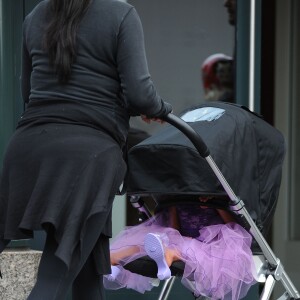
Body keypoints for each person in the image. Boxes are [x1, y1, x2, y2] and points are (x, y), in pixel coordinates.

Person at [0, 0, 172, 299]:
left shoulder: (36, 15)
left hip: (27, 149)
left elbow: (28, 92)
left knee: (88, 273)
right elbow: (140, 93)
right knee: (53, 280)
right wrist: (160, 109)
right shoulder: (121, 14)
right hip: (89, 157)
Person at [103, 196, 256, 300]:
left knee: (184, 247)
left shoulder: (217, 198)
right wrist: (173, 236)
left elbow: (235, 227)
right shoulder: (176, 199)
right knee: (149, 241)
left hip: (212, 244)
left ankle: (167, 257)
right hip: (183, 238)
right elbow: (174, 229)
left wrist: (216, 204)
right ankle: (114, 258)